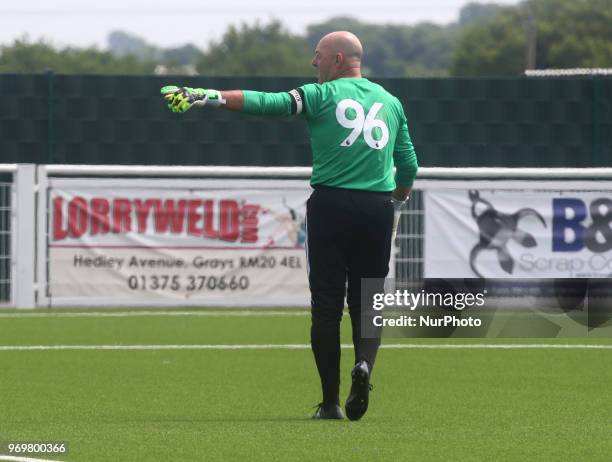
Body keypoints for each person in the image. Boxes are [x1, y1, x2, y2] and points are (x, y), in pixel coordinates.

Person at [161, 31, 418, 421]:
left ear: (335, 58)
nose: (313, 63)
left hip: (331, 204)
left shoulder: (320, 95)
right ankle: (364, 365)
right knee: (368, 302)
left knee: (327, 307)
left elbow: (269, 103)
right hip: (377, 209)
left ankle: (331, 403)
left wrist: (209, 96)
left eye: (317, 56)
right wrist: (397, 198)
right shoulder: (391, 103)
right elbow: (410, 164)